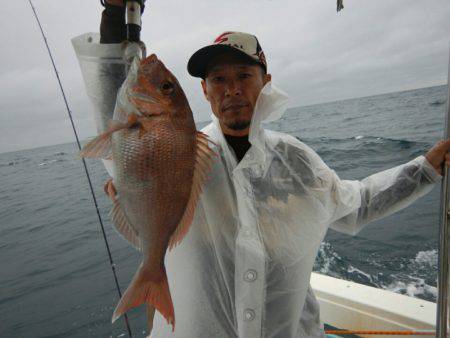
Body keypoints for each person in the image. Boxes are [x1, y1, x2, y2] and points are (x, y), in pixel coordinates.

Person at [73, 1, 450, 337]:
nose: (231, 89)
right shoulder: (178, 151)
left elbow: (359, 204)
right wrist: (113, 13)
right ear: (204, 91)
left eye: (243, 76)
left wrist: (428, 167)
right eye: (219, 79)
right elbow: (113, 105)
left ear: (265, 81)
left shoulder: (297, 159)